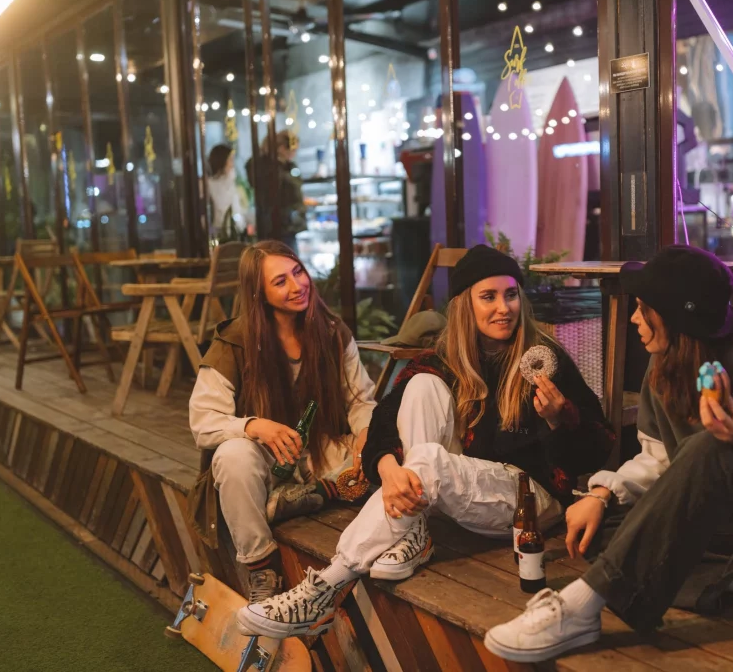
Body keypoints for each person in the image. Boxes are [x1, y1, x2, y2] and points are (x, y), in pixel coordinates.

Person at [482, 245, 733, 663]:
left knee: (712, 444)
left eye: (642, 309)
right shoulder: (664, 366)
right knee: (600, 526)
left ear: (675, 317)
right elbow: (659, 462)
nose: (634, 319)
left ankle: (581, 607)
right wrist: (602, 494)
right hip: (732, 531)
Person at [235, 244, 616, 638]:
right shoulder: (447, 358)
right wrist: (388, 469)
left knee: (429, 461)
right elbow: (382, 420)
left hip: (531, 500)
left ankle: (325, 589)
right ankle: (413, 529)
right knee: (420, 386)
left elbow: (599, 447)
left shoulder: (545, 357)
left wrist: (558, 417)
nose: (503, 307)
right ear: (465, 304)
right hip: (464, 487)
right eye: (488, 297)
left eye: (510, 294)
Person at [188, 240, 376, 604]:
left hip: (318, 454)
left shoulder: (333, 331)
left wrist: (365, 435)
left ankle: (313, 495)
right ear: (258, 293)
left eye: (298, 272)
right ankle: (263, 569)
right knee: (232, 457)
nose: (296, 286)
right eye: (280, 282)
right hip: (266, 458)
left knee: (384, 453)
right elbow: (202, 421)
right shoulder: (235, 341)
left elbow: (359, 400)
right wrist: (255, 426)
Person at [246, 131, 306, 251]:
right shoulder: (264, 166)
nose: (294, 154)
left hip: (287, 224)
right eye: (293, 150)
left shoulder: (288, 166)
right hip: (275, 224)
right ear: (282, 148)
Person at [206, 144, 251, 240]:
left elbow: (237, 209)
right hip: (218, 234)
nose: (232, 164)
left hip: (233, 232)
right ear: (221, 162)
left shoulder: (232, 182)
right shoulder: (210, 185)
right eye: (230, 160)